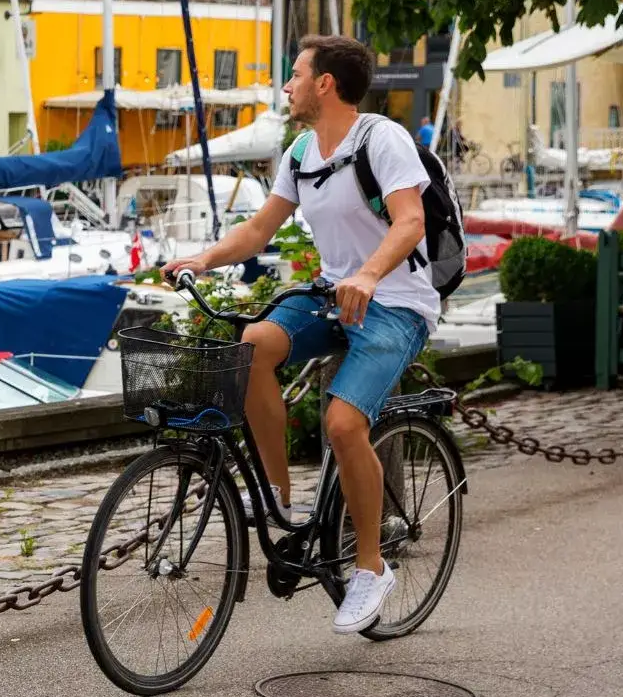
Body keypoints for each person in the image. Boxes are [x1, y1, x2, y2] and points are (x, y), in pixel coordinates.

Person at [164, 35, 436, 636]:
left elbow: (411, 220)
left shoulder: (380, 139)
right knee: (251, 348)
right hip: (335, 297)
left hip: (396, 303)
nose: (286, 87)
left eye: (294, 75)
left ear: (326, 84)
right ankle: (282, 499)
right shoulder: (301, 152)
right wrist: (202, 260)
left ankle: (371, 566)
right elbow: (261, 229)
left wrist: (368, 273)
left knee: (343, 423)